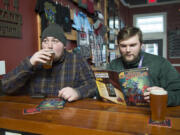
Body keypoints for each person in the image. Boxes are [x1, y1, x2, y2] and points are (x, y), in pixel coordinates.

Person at [1, 23, 97, 102]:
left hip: (67, 116)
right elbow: (5, 87)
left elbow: (93, 86)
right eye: (45, 41)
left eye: (55, 41)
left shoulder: (77, 60)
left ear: (64, 45)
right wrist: (29, 64)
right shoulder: (33, 61)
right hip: (37, 116)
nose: (49, 46)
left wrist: (77, 92)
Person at [107, 26, 180, 106]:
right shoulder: (113, 65)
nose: (128, 50)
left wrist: (164, 96)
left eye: (132, 45)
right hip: (121, 113)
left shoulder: (160, 63)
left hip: (150, 113)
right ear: (118, 46)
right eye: (123, 46)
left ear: (141, 45)